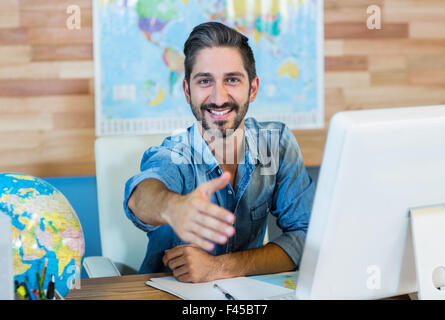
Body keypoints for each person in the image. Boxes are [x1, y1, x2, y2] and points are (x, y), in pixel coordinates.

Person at [124, 22, 315, 283]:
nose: (218, 97)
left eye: (232, 80)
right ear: (187, 91)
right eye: (205, 81)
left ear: (253, 88)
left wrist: (219, 267)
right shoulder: (175, 153)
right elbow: (141, 197)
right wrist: (173, 207)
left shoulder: (276, 143)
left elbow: (305, 236)